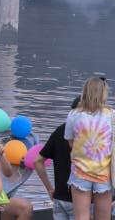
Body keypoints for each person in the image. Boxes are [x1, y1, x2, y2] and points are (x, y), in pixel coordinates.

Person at [65, 76, 112, 220]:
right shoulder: (112, 115)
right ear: (104, 93)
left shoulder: (73, 115)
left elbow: (71, 143)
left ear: (85, 92)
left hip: (80, 172)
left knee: (81, 217)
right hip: (104, 174)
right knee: (104, 217)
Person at [34, 96, 79, 220]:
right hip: (83, 199)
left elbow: (37, 161)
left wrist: (49, 188)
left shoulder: (60, 130)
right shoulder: (92, 131)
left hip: (59, 198)